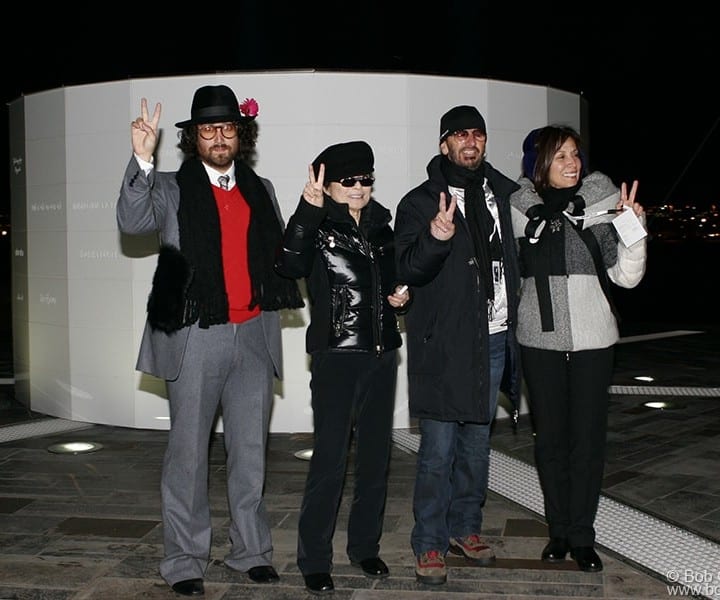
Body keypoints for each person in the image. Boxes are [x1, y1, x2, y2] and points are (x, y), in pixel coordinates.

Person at [116, 85, 303, 597]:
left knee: (250, 453)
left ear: (240, 135)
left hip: (254, 334)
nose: (218, 138)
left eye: (227, 129)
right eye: (207, 130)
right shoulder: (172, 187)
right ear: (193, 138)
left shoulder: (259, 188)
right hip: (196, 334)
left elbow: (282, 254)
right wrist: (140, 157)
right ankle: (183, 560)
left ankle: (251, 551)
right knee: (188, 455)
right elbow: (132, 221)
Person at [394, 106, 522, 585]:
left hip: (493, 339)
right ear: (444, 144)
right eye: (460, 135)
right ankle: (428, 542)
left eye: (478, 134)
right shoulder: (419, 202)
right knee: (438, 451)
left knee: (476, 447)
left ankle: (464, 529)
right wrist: (435, 236)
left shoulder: (503, 195)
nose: (471, 142)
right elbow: (406, 268)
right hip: (446, 344)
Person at [275, 140, 410, 595]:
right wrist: (307, 210)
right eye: (348, 181)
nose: (358, 188)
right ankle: (314, 559)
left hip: (382, 354)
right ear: (328, 185)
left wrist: (400, 295)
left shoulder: (381, 226)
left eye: (365, 180)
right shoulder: (316, 225)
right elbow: (288, 264)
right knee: (330, 461)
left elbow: (393, 281)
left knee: (375, 459)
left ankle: (364, 548)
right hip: (336, 356)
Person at [510, 125, 647, 572]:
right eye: (561, 156)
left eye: (575, 155)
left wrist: (634, 230)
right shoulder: (519, 212)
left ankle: (583, 536)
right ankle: (558, 532)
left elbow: (627, 277)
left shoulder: (601, 207)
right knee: (549, 442)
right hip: (539, 339)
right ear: (540, 164)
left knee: (586, 443)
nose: (573, 163)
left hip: (593, 340)